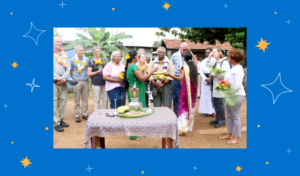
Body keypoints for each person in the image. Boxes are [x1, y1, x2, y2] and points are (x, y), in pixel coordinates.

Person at [123, 50, 158, 140]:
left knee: (136, 110)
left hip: (134, 89)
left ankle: (138, 132)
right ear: (134, 58)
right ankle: (135, 134)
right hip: (136, 91)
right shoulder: (134, 67)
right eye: (137, 57)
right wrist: (152, 71)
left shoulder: (129, 66)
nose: (138, 58)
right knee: (136, 111)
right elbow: (142, 78)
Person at [164, 52, 198, 136]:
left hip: (186, 89)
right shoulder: (194, 67)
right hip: (193, 89)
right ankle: (189, 126)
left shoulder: (185, 67)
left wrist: (169, 74)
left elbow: (180, 79)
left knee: (183, 106)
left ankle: (183, 128)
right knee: (191, 105)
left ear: (184, 59)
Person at [219, 48, 245, 144]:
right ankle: (229, 134)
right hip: (230, 94)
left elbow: (238, 84)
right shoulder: (234, 68)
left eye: (229, 57)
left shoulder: (238, 68)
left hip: (236, 95)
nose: (228, 59)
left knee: (235, 116)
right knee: (229, 115)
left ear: (233, 59)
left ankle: (237, 137)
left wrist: (229, 91)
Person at [206, 47, 231, 128]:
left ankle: (222, 120)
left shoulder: (224, 62)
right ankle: (218, 119)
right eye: (212, 52)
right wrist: (209, 56)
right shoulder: (216, 62)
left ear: (220, 52)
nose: (213, 53)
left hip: (220, 85)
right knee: (215, 103)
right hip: (215, 85)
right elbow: (207, 65)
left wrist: (214, 74)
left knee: (220, 103)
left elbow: (225, 75)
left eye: (214, 52)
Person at [170, 42, 197, 116]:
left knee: (185, 97)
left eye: (186, 49)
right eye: (184, 49)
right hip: (176, 78)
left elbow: (195, 62)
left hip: (187, 80)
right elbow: (171, 66)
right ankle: (176, 114)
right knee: (176, 97)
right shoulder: (174, 55)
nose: (185, 51)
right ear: (180, 48)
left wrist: (190, 51)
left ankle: (184, 113)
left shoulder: (189, 56)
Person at [53, 37, 70, 132]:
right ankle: (56, 123)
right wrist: (59, 78)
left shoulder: (65, 54)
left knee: (63, 101)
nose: (59, 43)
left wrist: (63, 78)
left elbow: (68, 67)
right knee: (54, 102)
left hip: (64, 81)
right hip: (53, 82)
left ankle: (61, 119)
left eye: (61, 42)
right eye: (57, 41)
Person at [70, 45, 90, 123]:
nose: (82, 51)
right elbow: (70, 71)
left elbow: (88, 69)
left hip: (85, 81)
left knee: (85, 99)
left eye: (82, 50)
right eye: (80, 50)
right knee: (77, 99)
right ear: (76, 51)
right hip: (76, 81)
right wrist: (73, 80)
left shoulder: (87, 59)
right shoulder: (72, 60)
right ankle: (77, 115)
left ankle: (85, 114)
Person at [87, 46, 108, 111]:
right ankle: (96, 114)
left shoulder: (103, 60)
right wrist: (98, 71)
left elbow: (107, 70)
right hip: (96, 83)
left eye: (99, 51)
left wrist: (104, 70)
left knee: (105, 99)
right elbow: (89, 74)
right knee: (97, 99)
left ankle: (104, 113)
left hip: (105, 82)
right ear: (93, 53)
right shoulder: (90, 62)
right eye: (96, 51)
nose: (98, 52)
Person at [199, 48, 216, 117]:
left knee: (213, 96)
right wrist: (206, 79)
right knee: (205, 96)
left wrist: (210, 78)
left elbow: (215, 70)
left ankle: (214, 111)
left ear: (211, 52)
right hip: (205, 80)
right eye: (206, 52)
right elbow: (201, 72)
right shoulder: (203, 61)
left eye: (209, 52)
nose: (207, 53)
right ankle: (205, 111)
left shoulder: (215, 61)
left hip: (213, 79)